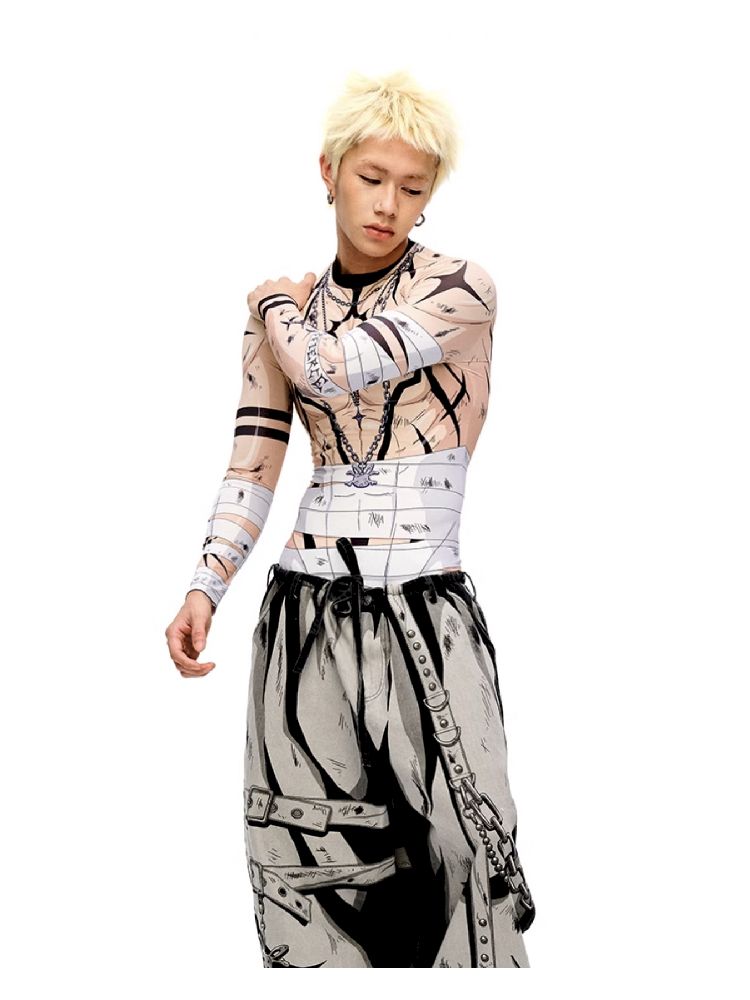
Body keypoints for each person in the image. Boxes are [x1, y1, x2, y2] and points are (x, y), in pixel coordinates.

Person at [165, 69, 536, 969]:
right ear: (328, 172)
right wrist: (205, 585)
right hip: (305, 615)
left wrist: (273, 304)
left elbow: (329, 369)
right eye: (371, 178)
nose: (388, 204)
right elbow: (254, 460)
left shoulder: (460, 287)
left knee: (468, 862)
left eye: (412, 187)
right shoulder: (287, 318)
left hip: (424, 613)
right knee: (304, 864)